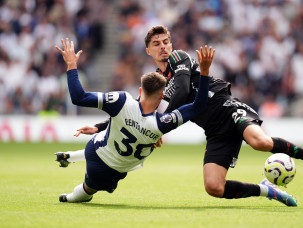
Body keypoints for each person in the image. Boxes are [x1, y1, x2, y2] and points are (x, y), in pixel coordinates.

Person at [60, 25, 303, 206]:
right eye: (157, 43)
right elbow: (134, 112)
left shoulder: (180, 58)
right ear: (148, 50)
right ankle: (268, 190)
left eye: (166, 41)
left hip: (227, 108)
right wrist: (99, 127)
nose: (164, 46)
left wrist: (158, 127)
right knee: (213, 187)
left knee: (260, 143)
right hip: (214, 130)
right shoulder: (155, 80)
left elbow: (182, 90)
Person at [55, 37, 214, 203]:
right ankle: (69, 196)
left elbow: (79, 97)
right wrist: (204, 72)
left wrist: (71, 65)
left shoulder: (121, 101)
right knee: (89, 189)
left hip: (95, 151)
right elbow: (198, 106)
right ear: (161, 96)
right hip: (114, 171)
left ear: (140, 90)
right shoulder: (160, 125)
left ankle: (71, 156)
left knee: (112, 134)